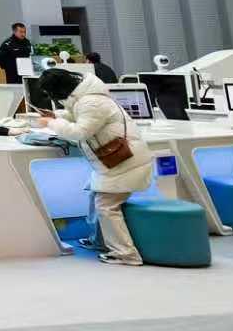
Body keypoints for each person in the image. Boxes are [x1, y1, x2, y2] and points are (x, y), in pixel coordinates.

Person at [35, 67, 153, 266]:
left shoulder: (91, 102)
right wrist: (56, 116)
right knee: (95, 195)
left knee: (106, 206)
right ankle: (99, 241)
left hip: (124, 163)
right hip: (119, 163)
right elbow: (78, 116)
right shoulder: (86, 98)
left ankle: (126, 254)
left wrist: (51, 124)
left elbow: (80, 132)